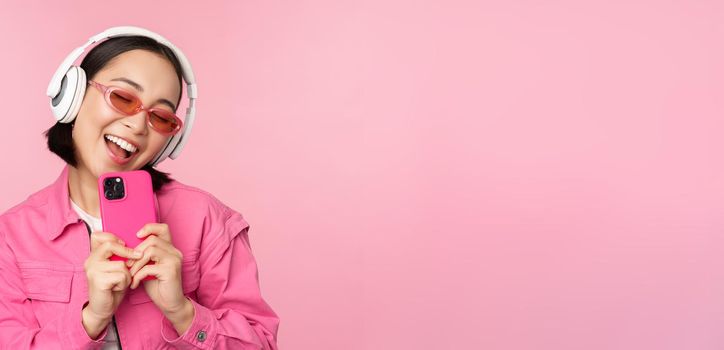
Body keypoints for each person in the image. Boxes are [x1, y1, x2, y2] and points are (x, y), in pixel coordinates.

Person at [0, 26, 279, 349]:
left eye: (160, 117)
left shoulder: (209, 220)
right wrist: (91, 320)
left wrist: (182, 312)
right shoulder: (10, 238)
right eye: (122, 97)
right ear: (71, 96)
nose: (137, 125)